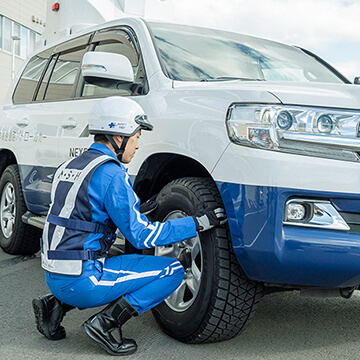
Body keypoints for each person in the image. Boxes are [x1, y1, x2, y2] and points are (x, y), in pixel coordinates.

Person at [32, 96, 226, 356]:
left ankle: (54, 306)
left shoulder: (70, 166)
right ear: (119, 137)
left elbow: (81, 216)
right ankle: (106, 323)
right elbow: (143, 236)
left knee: (110, 265)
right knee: (172, 271)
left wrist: (133, 209)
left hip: (53, 275)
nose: (138, 144)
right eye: (136, 136)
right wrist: (198, 223)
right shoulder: (112, 174)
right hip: (84, 282)